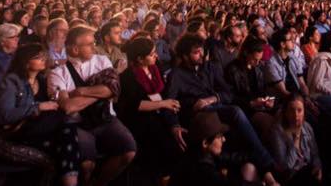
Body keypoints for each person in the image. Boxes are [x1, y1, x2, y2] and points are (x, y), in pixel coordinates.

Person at [166, 33, 279, 186]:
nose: (201, 54)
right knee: (236, 112)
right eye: (196, 52)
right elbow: (169, 104)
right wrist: (174, 125)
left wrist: (211, 99)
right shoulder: (176, 75)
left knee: (244, 126)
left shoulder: (209, 68)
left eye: (202, 50)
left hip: (215, 106)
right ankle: (267, 164)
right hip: (197, 114)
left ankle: (262, 171)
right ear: (185, 56)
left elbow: (228, 93)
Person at [49, 25, 136, 185]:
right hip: (80, 125)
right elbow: (68, 107)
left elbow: (112, 89)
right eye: (89, 44)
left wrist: (80, 91)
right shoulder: (58, 73)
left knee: (129, 152)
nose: (94, 47)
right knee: (86, 166)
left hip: (106, 119)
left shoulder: (102, 61)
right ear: (75, 49)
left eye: (93, 43)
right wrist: (100, 93)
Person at [0, 44, 82, 186]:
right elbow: (5, 116)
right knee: (66, 132)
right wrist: (38, 107)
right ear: (26, 62)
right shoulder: (11, 82)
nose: (43, 59)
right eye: (38, 57)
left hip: (36, 131)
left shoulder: (42, 80)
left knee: (66, 134)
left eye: (44, 56)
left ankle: (70, 182)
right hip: (13, 134)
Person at [116, 37, 183, 175]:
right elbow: (136, 105)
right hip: (140, 118)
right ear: (140, 59)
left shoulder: (155, 68)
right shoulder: (128, 77)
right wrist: (163, 104)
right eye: (152, 54)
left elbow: (163, 94)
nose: (156, 56)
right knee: (164, 143)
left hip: (160, 111)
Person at [171, 111, 263, 186]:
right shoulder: (203, 171)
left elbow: (230, 157)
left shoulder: (200, 154)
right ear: (205, 143)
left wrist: (260, 160)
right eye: (219, 136)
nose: (224, 139)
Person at [265, 94, 321, 186]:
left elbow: (315, 154)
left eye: (299, 110)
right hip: (290, 177)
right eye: (291, 110)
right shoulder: (278, 132)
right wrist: (295, 140)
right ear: (286, 113)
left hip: (308, 172)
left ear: (304, 112)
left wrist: (318, 166)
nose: (296, 115)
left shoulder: (307, 127)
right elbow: (285, 167)